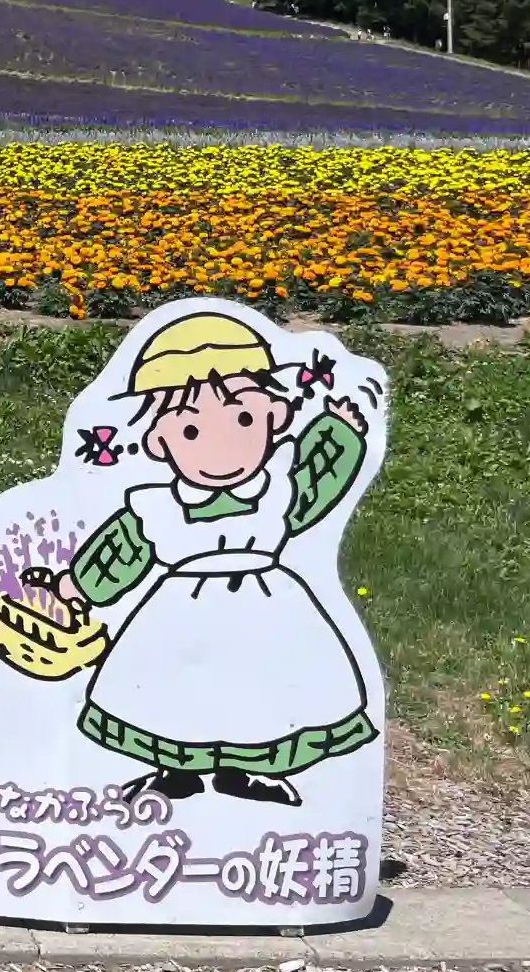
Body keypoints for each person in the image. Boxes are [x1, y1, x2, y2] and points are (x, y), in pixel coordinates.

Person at [26, 311, 377, 807]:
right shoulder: (157, 506)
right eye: (190, 432)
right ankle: (177, 771)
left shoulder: (277, 491)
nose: (220, 444)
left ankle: (247, 771)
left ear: (276, 417)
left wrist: (338, 430)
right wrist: (74, 589)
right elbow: (122, 551)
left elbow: (316, 483)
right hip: (179, 608)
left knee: (260, 689)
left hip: (266, 606)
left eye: (243, 419)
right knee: (169, 691)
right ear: (159, 441)